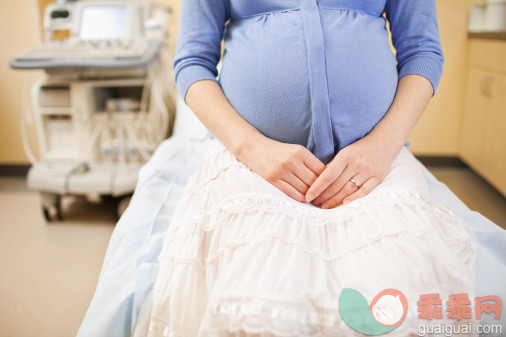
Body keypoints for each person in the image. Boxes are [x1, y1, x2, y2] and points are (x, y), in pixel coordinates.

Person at [135, 0, 477, 336]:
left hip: (373, 164)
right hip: (252, 165)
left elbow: (422, 51)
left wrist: (383, 146)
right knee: (257, 303)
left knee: (398, 297)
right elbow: (193, 61)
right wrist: (251, 148)